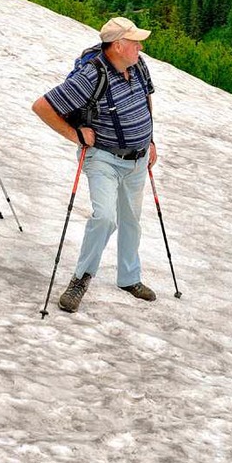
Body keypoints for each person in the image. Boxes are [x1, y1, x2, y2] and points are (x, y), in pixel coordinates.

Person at [32, 16, 158, 312]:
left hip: (138, 159)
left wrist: (150, 139)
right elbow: (42, 106)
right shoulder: (91, 75)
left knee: (131, 219)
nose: (140, 46)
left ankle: (129, 277)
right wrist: (75, 134)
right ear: (117, 45)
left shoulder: (137, 66)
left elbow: (146, 100)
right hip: (103, 158)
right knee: (105, 218)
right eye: (134, 41)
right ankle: (80, 279)